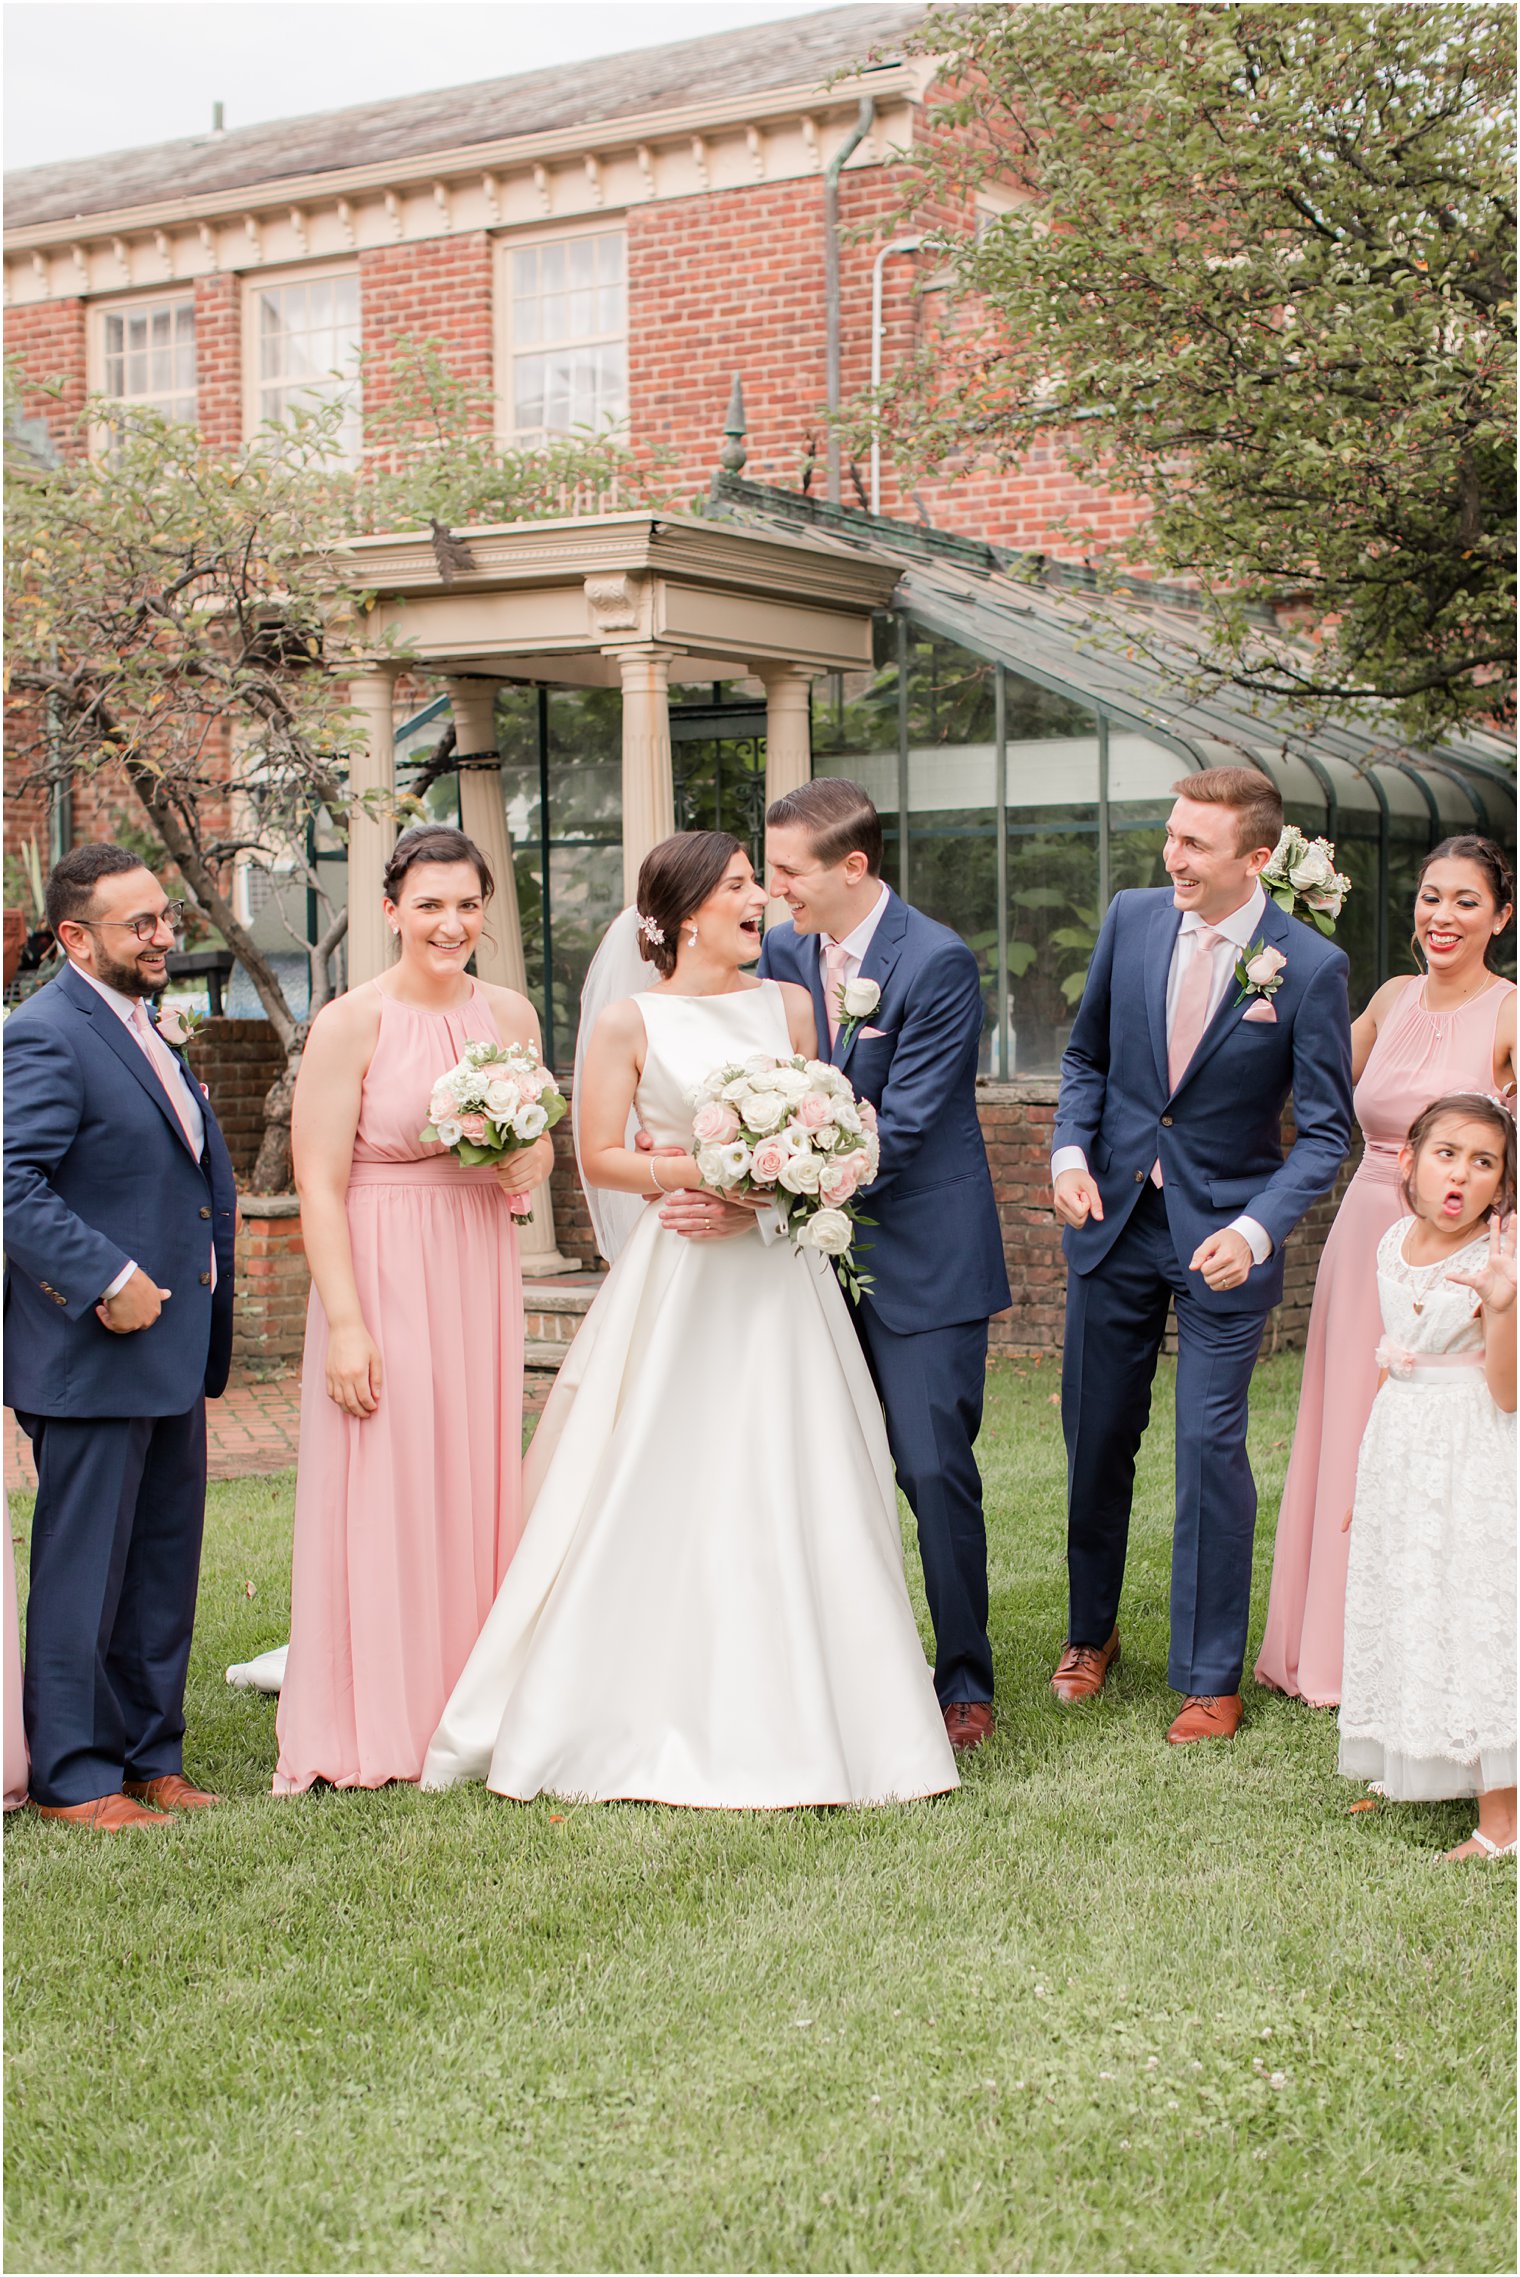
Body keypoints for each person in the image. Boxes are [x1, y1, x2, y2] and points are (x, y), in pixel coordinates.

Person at [423, 831, 957, 1808]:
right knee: (660, 1472)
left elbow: (824, 1129)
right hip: (681, 1274)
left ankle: (838, 1713)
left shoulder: (790, 1005)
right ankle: (628, 1698)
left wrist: (764, 1192)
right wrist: (695, 1173)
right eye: (738, 886)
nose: (758, 899)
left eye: (757, 883)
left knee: (804, 1472)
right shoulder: (629, 1022)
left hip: (779, 1282)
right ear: (677, 917)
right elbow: (597, 1152)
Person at [1050, 768, 1353, 1743]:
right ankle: (1088, 1634)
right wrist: (1065, 1150)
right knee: (1096, 1437)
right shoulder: (1131, 919)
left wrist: (1255, 1227)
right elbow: (1085, 1058)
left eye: (1194, 845)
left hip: (1225, 1237)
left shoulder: (1305, 966)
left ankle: (1209, 1674)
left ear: (1254, 859)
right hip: (1114, 1226)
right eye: (1171, 837)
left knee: (1207, 1449)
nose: (1171, 858)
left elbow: (1321, 1132)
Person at [272, 826, 554, 1793]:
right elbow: (316, 1181)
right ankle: (374, 1721)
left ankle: (467, 1704)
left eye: (468, 904)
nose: (451, 923)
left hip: (476, 1261)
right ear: (391, 910)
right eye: (429, 904)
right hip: (382, 1260)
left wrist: (530, 1157)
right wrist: (345, 1322)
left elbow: (540, 1145)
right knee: (386, 1478)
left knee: (470, 1473)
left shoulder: (510, 1013)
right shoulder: (352, 1021)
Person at [754, 781, 1011, 1753]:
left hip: (921, 1258)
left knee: (932, 1467)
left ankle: (964, 1679)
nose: (777, 891)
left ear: (851, 868)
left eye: (790, 872)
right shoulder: (781, 954)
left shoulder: (935, 962)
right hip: (804, 1266)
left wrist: (783, 1180)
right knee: (819, 1466)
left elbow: (903, 1124)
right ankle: (845, 1664)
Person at [3, 844, 237, 1829]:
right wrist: (106, 1276)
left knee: (158, 1565)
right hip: (94, 1346)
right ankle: (75, 1774)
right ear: (73, 937)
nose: (161, 936)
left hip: (169, 1349)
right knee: (85, 1569)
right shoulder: (45, 1034)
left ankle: (153, 1754)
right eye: (138, 924)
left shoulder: (145, 1026)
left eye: (164, 917)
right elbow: (12, 1180)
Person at [1255, 837, 1515, 1704]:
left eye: (1466, 902)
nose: (1442, 917)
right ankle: (1327, 1651)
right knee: (1351, 1429)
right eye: (1430, 897)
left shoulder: (1510, 1013)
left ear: (1501, 918)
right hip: (1367, 1234)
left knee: (1438, 1444)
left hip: (1459, 1253)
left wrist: (1501, 1258)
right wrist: (1276, 949)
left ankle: (1427, 1654)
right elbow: (1314, 1071)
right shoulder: (1392, 996)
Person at [1339, 1095, 1516, 1860]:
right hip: (1402, 1445)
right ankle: (1415, 1763)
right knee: (1411, 1600)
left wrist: (1504, 1309)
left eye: (1484, 1162)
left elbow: (1506, 1390)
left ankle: (1502, 1820)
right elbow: (1394, 1356)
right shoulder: (1387, 1243)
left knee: (1473, 1611)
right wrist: (1365, 1481)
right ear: (1407, 1161)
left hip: (1470, 1449)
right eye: (1447, 1153)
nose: (1462, 1173)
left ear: (1500, 1185)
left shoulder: (1497, 1259)